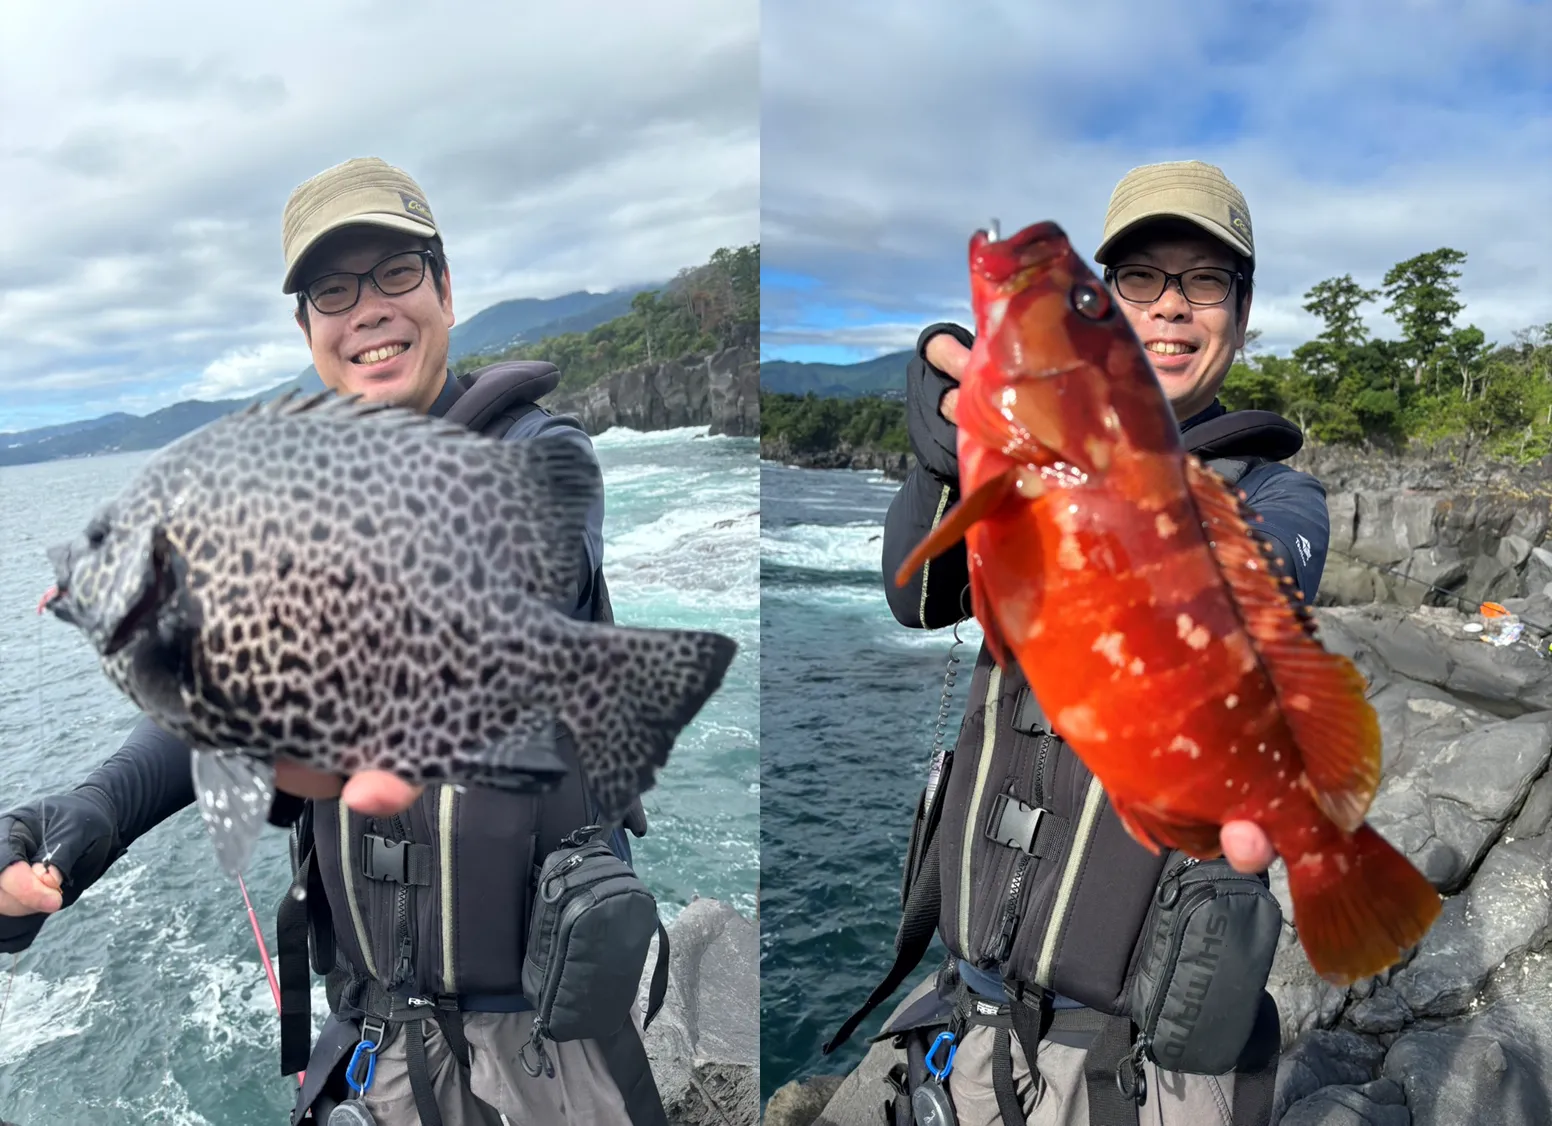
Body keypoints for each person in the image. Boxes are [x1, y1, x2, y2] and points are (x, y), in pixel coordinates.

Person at [0, 157, 668, 1126]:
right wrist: (93, 810)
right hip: (381, 1032)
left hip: (546, 1043)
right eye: (332, 289)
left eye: (396, 273)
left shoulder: (541, 452)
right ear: (308, 325)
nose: (367, 309)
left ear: (444, 287)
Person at [830, 161, 1331, 1126]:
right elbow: (916, 594)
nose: (1172, 309)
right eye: (1141, 280)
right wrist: (946, 457)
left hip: (1137, 1069)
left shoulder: (1276, 495)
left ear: (1240, 307)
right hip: (974, 1022)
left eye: (1204, 281)